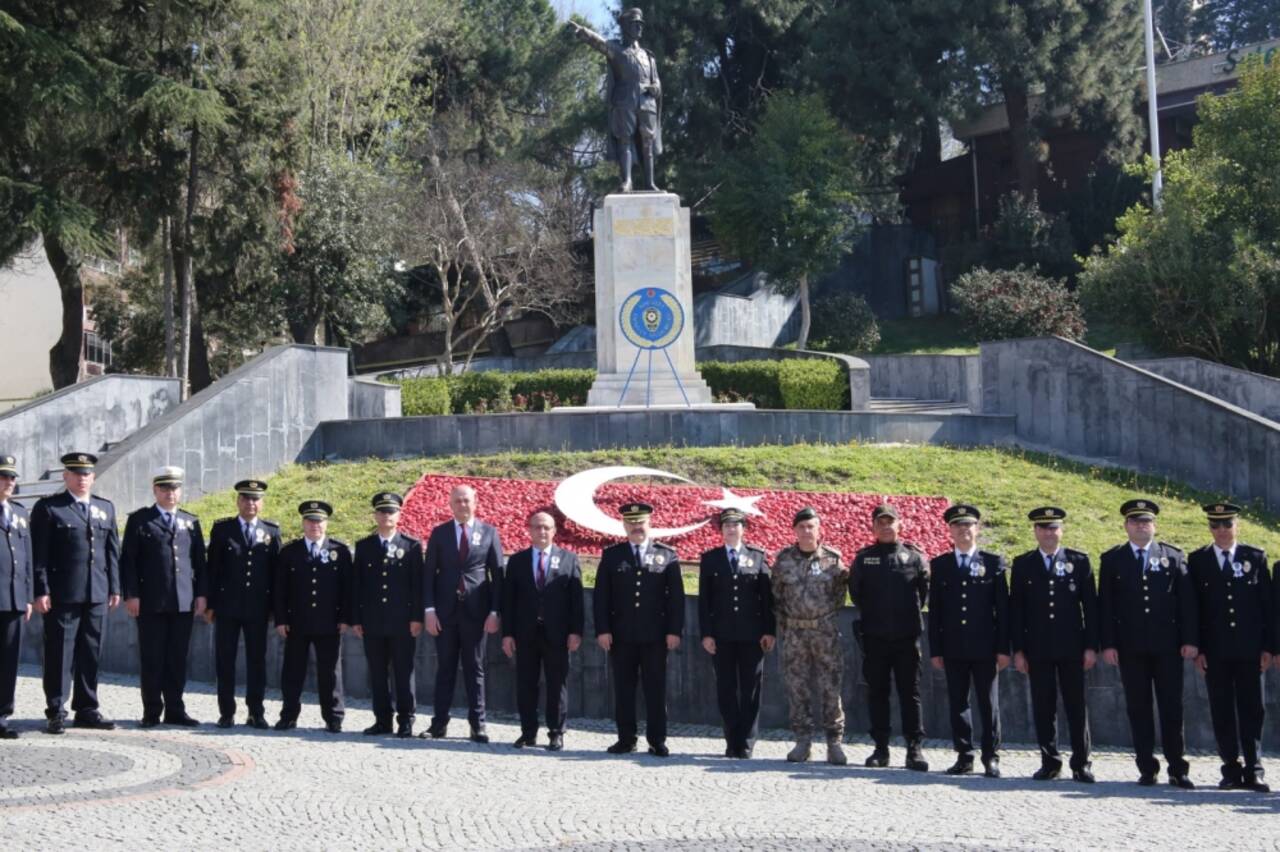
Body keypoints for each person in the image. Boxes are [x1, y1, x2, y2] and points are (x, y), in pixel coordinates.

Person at [1098, 499, 1198, 789]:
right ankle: (1146, 767)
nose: (1141, 525)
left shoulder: (1173, 556)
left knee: (1172, 708)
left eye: (1146, 521)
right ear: (1126, 525)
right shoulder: (1113, 559)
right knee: (1138, 708)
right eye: (1135, 521)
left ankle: (1178, 768)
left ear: (1154, 525)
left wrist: (1190, 640)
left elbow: (1187, 603)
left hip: (1168, 648)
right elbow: (1106, 605)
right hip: (1130, 648)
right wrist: (1109, 644)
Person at [30, 452, 120, 734]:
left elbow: (112, 552)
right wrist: (41, 589)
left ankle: (87, 708)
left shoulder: (105, 508)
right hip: (63, 595)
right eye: (76, 473)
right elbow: (39, 555)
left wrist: (115, 587)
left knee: (91, 652)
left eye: (87, 474)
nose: (82, 478)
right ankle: (56, 710)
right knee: (60, 654)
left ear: (93, 477)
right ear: (66, 476)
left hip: (96, 593)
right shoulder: (49, 508)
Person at [1188, 502, 1273, 792]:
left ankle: (1255, 769)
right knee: (1221, 709)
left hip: (1250, 651)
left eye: (1227, 524)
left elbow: (1267, 607)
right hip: (1216, 652)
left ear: (1237, 525)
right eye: (1216, 525)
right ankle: (1230, 769)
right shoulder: (1198, 560)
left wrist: (1269, 647)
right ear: (1210, 528)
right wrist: (1198, 649)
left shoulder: (1255, 557)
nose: (1222, 530)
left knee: (1253, 710)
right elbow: (1193, 609)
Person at [1010, 507, 1098, 783]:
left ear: (1062, 530)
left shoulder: (1079, 561)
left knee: (1076, 707)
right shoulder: (1023, 564)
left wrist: (1090, 646)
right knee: (1043, 707)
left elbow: (1091, 609)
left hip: (1073, 648)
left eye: (1054, 527)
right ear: (1035, 531)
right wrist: (1020, 650)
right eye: (1044, 527)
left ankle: (1081, 763)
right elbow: (1018, 611)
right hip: (1038, 649)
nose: (1049, 532)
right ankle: (1050, 762)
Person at [120, 466, 207, 727]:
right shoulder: (140, 520)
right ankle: (151, 711)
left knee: (177, 659)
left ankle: (175, 709)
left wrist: (201, 595)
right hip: (150, 602)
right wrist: (131, 595)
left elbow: (200, 563)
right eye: (165, 488)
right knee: (152, 658)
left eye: (175, 488)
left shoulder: (190, 522)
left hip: (183, 602)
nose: (171, 493)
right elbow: (129, 563)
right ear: (155, 490)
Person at [595, 502, 683, 756]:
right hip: (621, 635)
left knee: (655, 688)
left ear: (649, 523)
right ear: (624, 525)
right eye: (631, 523)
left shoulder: (666, 555)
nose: (636, 527)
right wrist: (603, 629)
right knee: (624, 688)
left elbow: (675, 598)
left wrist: (674, 631)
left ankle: (657, 739)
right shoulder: (613, 555)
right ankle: (626, 738)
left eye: (640, 522)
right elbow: (602, 596)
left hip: (655, 636)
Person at [927, 504, 1009, 778]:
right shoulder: (941, 565)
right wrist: (936, 649)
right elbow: (936, 611)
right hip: (953, 647)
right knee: (958, 703)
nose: (964, 530)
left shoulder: (993, 563)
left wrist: (1002, 648)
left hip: (985, 648)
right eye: (958, 525)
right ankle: (964, 755)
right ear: (950, 530)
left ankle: (991, 756)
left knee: (989, 704)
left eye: (969, 525)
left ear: (977, 528)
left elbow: (1003, 610)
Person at [851, 504, 931, 771]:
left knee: (911, 694)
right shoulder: (864, 559)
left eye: (890, 522)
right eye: (880, 522)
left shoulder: (914, 558)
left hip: (907, 639)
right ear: (873, 527)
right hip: (875, 638)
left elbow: (923, 592)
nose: (886, 526)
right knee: (878, 693)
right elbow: (856, 594)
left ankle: (914, 749)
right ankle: (881, 749)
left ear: (900, 525)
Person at [423, 484, 504, 742]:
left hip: (477, 613)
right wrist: (429, 610)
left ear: (475, 502)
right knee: (445, 668)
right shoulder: (440, 533)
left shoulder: (489, 533)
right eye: (457, 500)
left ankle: (477, 724)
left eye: (466, 500)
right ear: (450, 503)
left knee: (474, 669)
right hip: (444, 614)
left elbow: (498, 577)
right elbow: (428, 576)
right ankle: (439, 724)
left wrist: (494, 611)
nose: (462, 505)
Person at [501, 511, 584, 751]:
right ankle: (528, 732)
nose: (542, 531)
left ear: (554, 531)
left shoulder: (568, 559)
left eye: (547, 527)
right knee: (526, 683)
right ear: (529, 530)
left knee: (557, 684)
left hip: (557, 634)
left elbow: (576, 601)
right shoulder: (517, 561)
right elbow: (509, 601)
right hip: (525, 633)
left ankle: (556, 732)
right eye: (537, 527)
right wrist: (507, 634)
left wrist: (575, 631)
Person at [771, 506, 849, 764]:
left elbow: (839, 596)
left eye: (811, 526)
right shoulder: (783, 561)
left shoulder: (833, 560)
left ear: (818, 529)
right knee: (797, 688)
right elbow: (777, 597)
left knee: (830, 687)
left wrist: (820, 618)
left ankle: (834, 742)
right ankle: (802, 742)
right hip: (794, 634)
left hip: (824, 634)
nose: (806, 531)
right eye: (802, 527)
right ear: (794, 530)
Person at [698, 508, 775, 759]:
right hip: (722, 636)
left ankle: (747, 741)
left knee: (751, 689)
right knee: (726, 688)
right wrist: (706, 634)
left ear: (744, 528)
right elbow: (705, 602)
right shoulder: (711, 559)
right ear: (721, 530)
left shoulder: (758, 557)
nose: (731, 529)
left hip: (752, 636)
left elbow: (767, 599)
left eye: (736, 525)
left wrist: (769, 630)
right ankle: (732, 740)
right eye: (726, 525)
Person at [205, 479, 281, 729]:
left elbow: (276, 575)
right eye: (246, 498)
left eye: (255, 499)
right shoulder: (223, 529)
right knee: (225, 660)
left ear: (262, 502)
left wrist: (275, 609)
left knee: (257, 662)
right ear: (238, 501)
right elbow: (212, 569)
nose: (251, 503)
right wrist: (210, 603)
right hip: (227, 607)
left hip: (258, 609)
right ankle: (226, 712)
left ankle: (256, 712)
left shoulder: (271, 532)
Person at [274, 501, 351, 733]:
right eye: (310, 520)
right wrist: (281, 619)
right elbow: (280, 589)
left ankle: (334, 716)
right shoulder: (289, 552)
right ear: (303, 523)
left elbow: (348, 589)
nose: (314, 525)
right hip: (297, 622)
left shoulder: (340, 551)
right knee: (293, 670)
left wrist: (345, 617)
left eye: (319, 521)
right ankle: (288, 715)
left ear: (326, 523)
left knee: (330, 672)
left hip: (329, 622)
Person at [350, 492, 423, 738]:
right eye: (381, 512)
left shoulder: (411, 546)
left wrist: (416, 618)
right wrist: (357, 619)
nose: (386, 516)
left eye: (390, 512)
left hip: (402, 623)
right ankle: (382, 720)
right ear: (375, 515)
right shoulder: (364, 546)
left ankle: (406, 720)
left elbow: (417, 586)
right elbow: (357, 586)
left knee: (403, 672)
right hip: (372, 622)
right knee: (377, 673)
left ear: (399, 515)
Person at [566, 7, 662, 192]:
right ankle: (627, 181)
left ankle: (650, 183)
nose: (639, 28)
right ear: (626, 26)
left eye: (640, 24)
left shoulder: (648, 56)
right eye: (635, 24)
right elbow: (599, 42)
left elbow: (656, 80)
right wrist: (582, 32)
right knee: (624, 140)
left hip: (647, 102)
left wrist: (655, 87)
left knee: (648, 143)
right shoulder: (617, 49)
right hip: (624, 100)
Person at [0, 453, 32, 739]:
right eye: (4, 477)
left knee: (9, 659)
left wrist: (29, 596)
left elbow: (27, 558)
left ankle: (2, 715)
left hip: (13, 599)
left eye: (12, 478)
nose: (9, 482)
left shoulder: (19, 513)